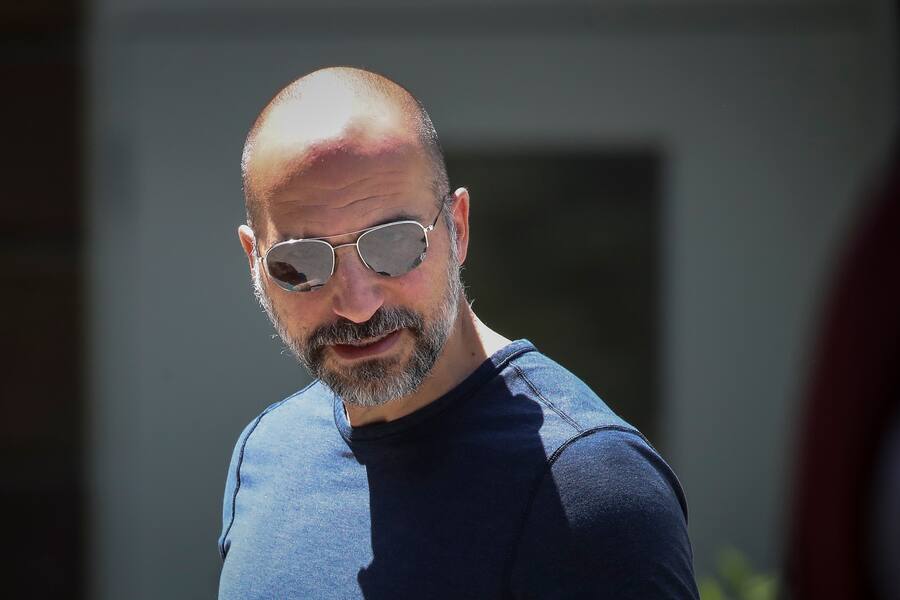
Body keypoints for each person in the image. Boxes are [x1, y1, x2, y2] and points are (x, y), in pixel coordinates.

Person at [218, 66, 699, 599]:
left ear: (459, 228)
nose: (357, 304)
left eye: (395, 244)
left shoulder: (590, 486)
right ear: (254, 261)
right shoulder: (268, 454)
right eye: (301, 263)